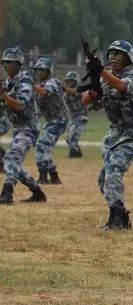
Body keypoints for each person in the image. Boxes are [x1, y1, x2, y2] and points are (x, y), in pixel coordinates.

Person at [82, 40, 133, 230]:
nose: (112, 57)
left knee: (114, 170)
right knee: (103, 180)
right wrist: (93, 88)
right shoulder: (104, 79)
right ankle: (122, 217)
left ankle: (116, 221)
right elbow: (85, 101)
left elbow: (121, 86)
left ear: (127, 58)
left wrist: (100, 71)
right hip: (114, 135)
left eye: (117, 54)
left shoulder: (132, 76)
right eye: (110, 53)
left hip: (132, 134)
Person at [0, 47, 47, 204]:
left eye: (10, 63)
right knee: (14, 163)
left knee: (12, 157)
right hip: (17, 128)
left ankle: (7, 193)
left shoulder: (25, 80)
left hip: (29, 128)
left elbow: (20, 105)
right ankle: (37, 192)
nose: (6, 66)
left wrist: (3, 95)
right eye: (4, 63)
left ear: (19, 64)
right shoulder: (8, 82)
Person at [32, 57, 69, 185]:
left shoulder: (53, 82)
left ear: (49, 71)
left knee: (41, 145)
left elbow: (44, 92)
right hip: (50, 121)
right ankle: (54, 176)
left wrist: (29, 84)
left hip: (60, 120)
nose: (38, 72)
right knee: (44, 147)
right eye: (37, 70)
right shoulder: (38, 86)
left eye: (42, 70)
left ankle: (43, 176)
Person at [63, 71, 89, 158]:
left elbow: (74, 92)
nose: (69, 83)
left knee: (73, 137)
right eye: (68, 81)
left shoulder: (80, 89)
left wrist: (63, 88)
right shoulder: (65, 95)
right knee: (69, 139)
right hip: (73, 118)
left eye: (72, 81)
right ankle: (78, 153)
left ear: (76, 81)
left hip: (81, 117)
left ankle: (72, 155)